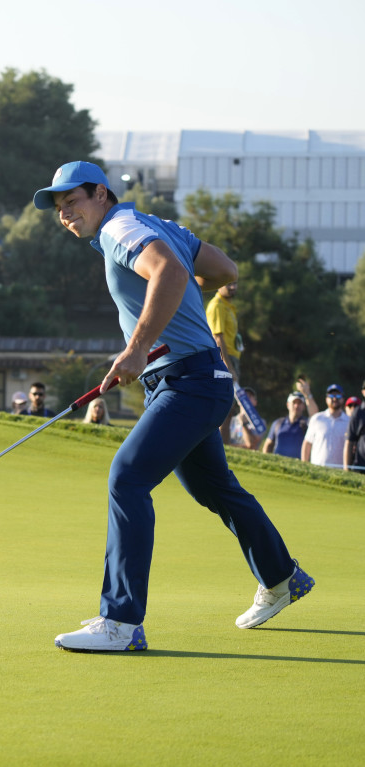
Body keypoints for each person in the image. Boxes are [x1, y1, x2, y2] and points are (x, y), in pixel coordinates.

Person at [33, 160, 312, 652]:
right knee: (216, 489)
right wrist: (170, 314)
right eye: (59, 208)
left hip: (190, 381)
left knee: (128, 477)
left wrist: (140, 344)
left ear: (101, 193)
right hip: (192, 378)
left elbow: (166, 270)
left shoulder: (120, 227)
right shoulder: (158, 226)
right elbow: (225, 270)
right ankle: (281, 576)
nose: (64, 214)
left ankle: (120, 623)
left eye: (72, 201)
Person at [206, 280, 241, 443]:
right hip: (224, 360)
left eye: (235, 283)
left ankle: (225, 448)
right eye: (229, 284)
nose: (233, 287)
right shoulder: (217, 305)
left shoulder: (228, 306)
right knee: (223, 406)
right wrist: (227, 366)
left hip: (232, 358)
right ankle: (221, 447)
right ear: (219, 284)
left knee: (229, 407)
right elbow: (217, 338)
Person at [302, 383, 349, 468]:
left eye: (338, 396)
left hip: (340, 472)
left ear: (343, 399)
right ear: (326, 399)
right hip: (317, 469)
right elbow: (307, 443)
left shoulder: (349, 421)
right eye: (331, 396)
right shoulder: (317, 418)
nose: (334, 398)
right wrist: (305, 466)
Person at [262, 391, 309, 459]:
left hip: (298, 466)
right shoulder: (278, 423)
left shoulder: (307, 424)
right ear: (288, 405)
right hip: (277, 464)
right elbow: (268, 444)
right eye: (294, 403)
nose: (296, 406)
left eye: (299, 403)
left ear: (304, 406)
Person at [346, 380, 365, 472]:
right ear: (363, 392)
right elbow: (349, 441)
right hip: (361, 467)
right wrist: (346, 469)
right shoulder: (358, 412)